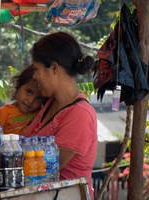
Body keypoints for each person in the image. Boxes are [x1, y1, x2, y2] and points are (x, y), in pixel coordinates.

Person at [22, 32, 97, 200]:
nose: (34, 76)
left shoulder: (80, 115)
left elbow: (45, 170)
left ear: (55, 68)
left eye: (37, 69)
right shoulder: (49, 103)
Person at [0, 64, 46, 135]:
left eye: (39, 98)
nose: (30, 101)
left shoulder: (41, 114)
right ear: (18, 85)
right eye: (28, 92)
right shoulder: (3, 114)